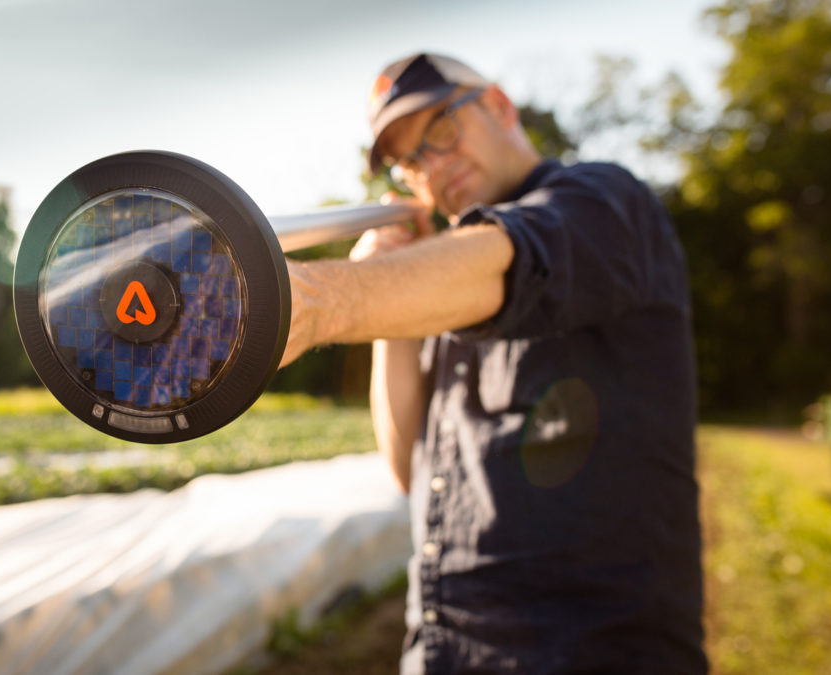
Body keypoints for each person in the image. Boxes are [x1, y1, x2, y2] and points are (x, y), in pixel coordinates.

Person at [279, 53, 707, 674]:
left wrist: (319, 300)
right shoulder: (443, 282)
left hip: (588, 652)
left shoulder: (602, 201)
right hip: (444, 651)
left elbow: (507, 256)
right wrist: (391, 321)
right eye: (410, 160)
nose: (433, 166)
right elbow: (408, 466)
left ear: (500, 107)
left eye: (442, 131)